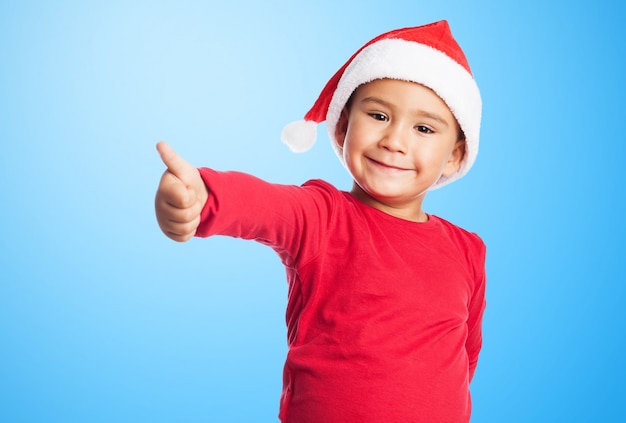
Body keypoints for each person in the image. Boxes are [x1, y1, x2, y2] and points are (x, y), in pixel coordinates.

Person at [155, 20, 486, 423]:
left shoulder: (467, 249)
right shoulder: (322, 216)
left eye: (423, 128)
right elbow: (264, 206)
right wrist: (203, 196)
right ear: (343, 125)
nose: (394, 141)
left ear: (454, 155)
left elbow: (464, 356)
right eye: (379, 115)